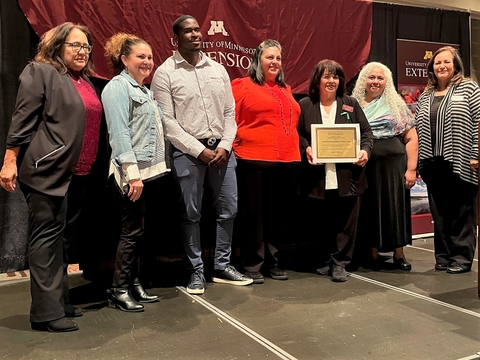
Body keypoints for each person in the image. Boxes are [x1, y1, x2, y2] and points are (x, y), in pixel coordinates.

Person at [0, 22, 103, 332]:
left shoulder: (81, 79)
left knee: (61, 241)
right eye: (75, 45)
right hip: (48, 169)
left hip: (78, 172)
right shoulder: (40, 71)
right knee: (46, 239)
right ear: (58, 46)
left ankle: (60, 302)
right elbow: (23, 118)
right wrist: (9, 159)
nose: (82, 51)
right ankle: (45, 314)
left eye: (86, 47)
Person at [151, 15, 253, 294]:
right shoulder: (165, 72)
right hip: (187, 152)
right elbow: (167, 122)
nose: (195, 34)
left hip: (222, 151)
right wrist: (200, 151)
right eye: (188, 31)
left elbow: (230, 112)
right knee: (191, 214)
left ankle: (221, 266)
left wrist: (225, 145)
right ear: (176, 38)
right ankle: (195, 271)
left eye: (197, 30)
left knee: (228, 210)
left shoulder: (218, 69)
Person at [102, 33, 169, 311]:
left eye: (150, 57)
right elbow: (119, 134)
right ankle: (119, 289)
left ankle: (134, 283)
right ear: (124, 60)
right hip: (131, 175)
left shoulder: (145, 91)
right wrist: (132, 174)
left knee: (140, 232)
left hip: (148, 173)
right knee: (131, 232)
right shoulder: (118, 87)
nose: (147, 61)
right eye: (140, 56)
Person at [231, 39, 301, 284]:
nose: (275, 62)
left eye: (278, 58)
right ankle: (252, 263)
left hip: (288, 160)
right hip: (253, 160)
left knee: (277, 217)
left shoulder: (286, 89)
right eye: (270, 57)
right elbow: (230, 121)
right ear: (258, 60)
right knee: (254, 217)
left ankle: (273, 262)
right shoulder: (242, 86)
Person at [297, 59, 373, 282]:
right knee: (321, 221)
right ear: (317, 80)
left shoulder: (350, 103)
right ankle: (324, 260)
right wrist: (307, 148)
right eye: (326, 76)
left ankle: (340, 263)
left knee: (346, 221)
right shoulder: (305, 105)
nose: (331, 81)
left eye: (336, 77)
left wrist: (365, 152)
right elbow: (298, 134)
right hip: (317, 176)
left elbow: (367, 134)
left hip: (348, 175)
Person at [415, 46, 479, 274]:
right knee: (439, 212)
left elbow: (479, 122)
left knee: (461, 212)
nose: (441, 66)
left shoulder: (469, 88)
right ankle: (443, 257)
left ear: (456, 66)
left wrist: (476, 153)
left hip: (462, 161)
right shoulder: (426, 94)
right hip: (432, 165)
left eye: (446, 62)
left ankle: (461, 259)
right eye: (437, 63)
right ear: (432, 67)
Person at [351, 61, 418, 271]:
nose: (375, 81)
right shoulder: (353, 105)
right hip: (366, 165)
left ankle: (399, 254)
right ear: (364, 79)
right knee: (371, 207)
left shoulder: (395, 105)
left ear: (386, 81)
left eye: (380, 78)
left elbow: (412, 137)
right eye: (371, 77)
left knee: (395, 206)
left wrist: (411, 169)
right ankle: (372, 252)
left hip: (394, 166)